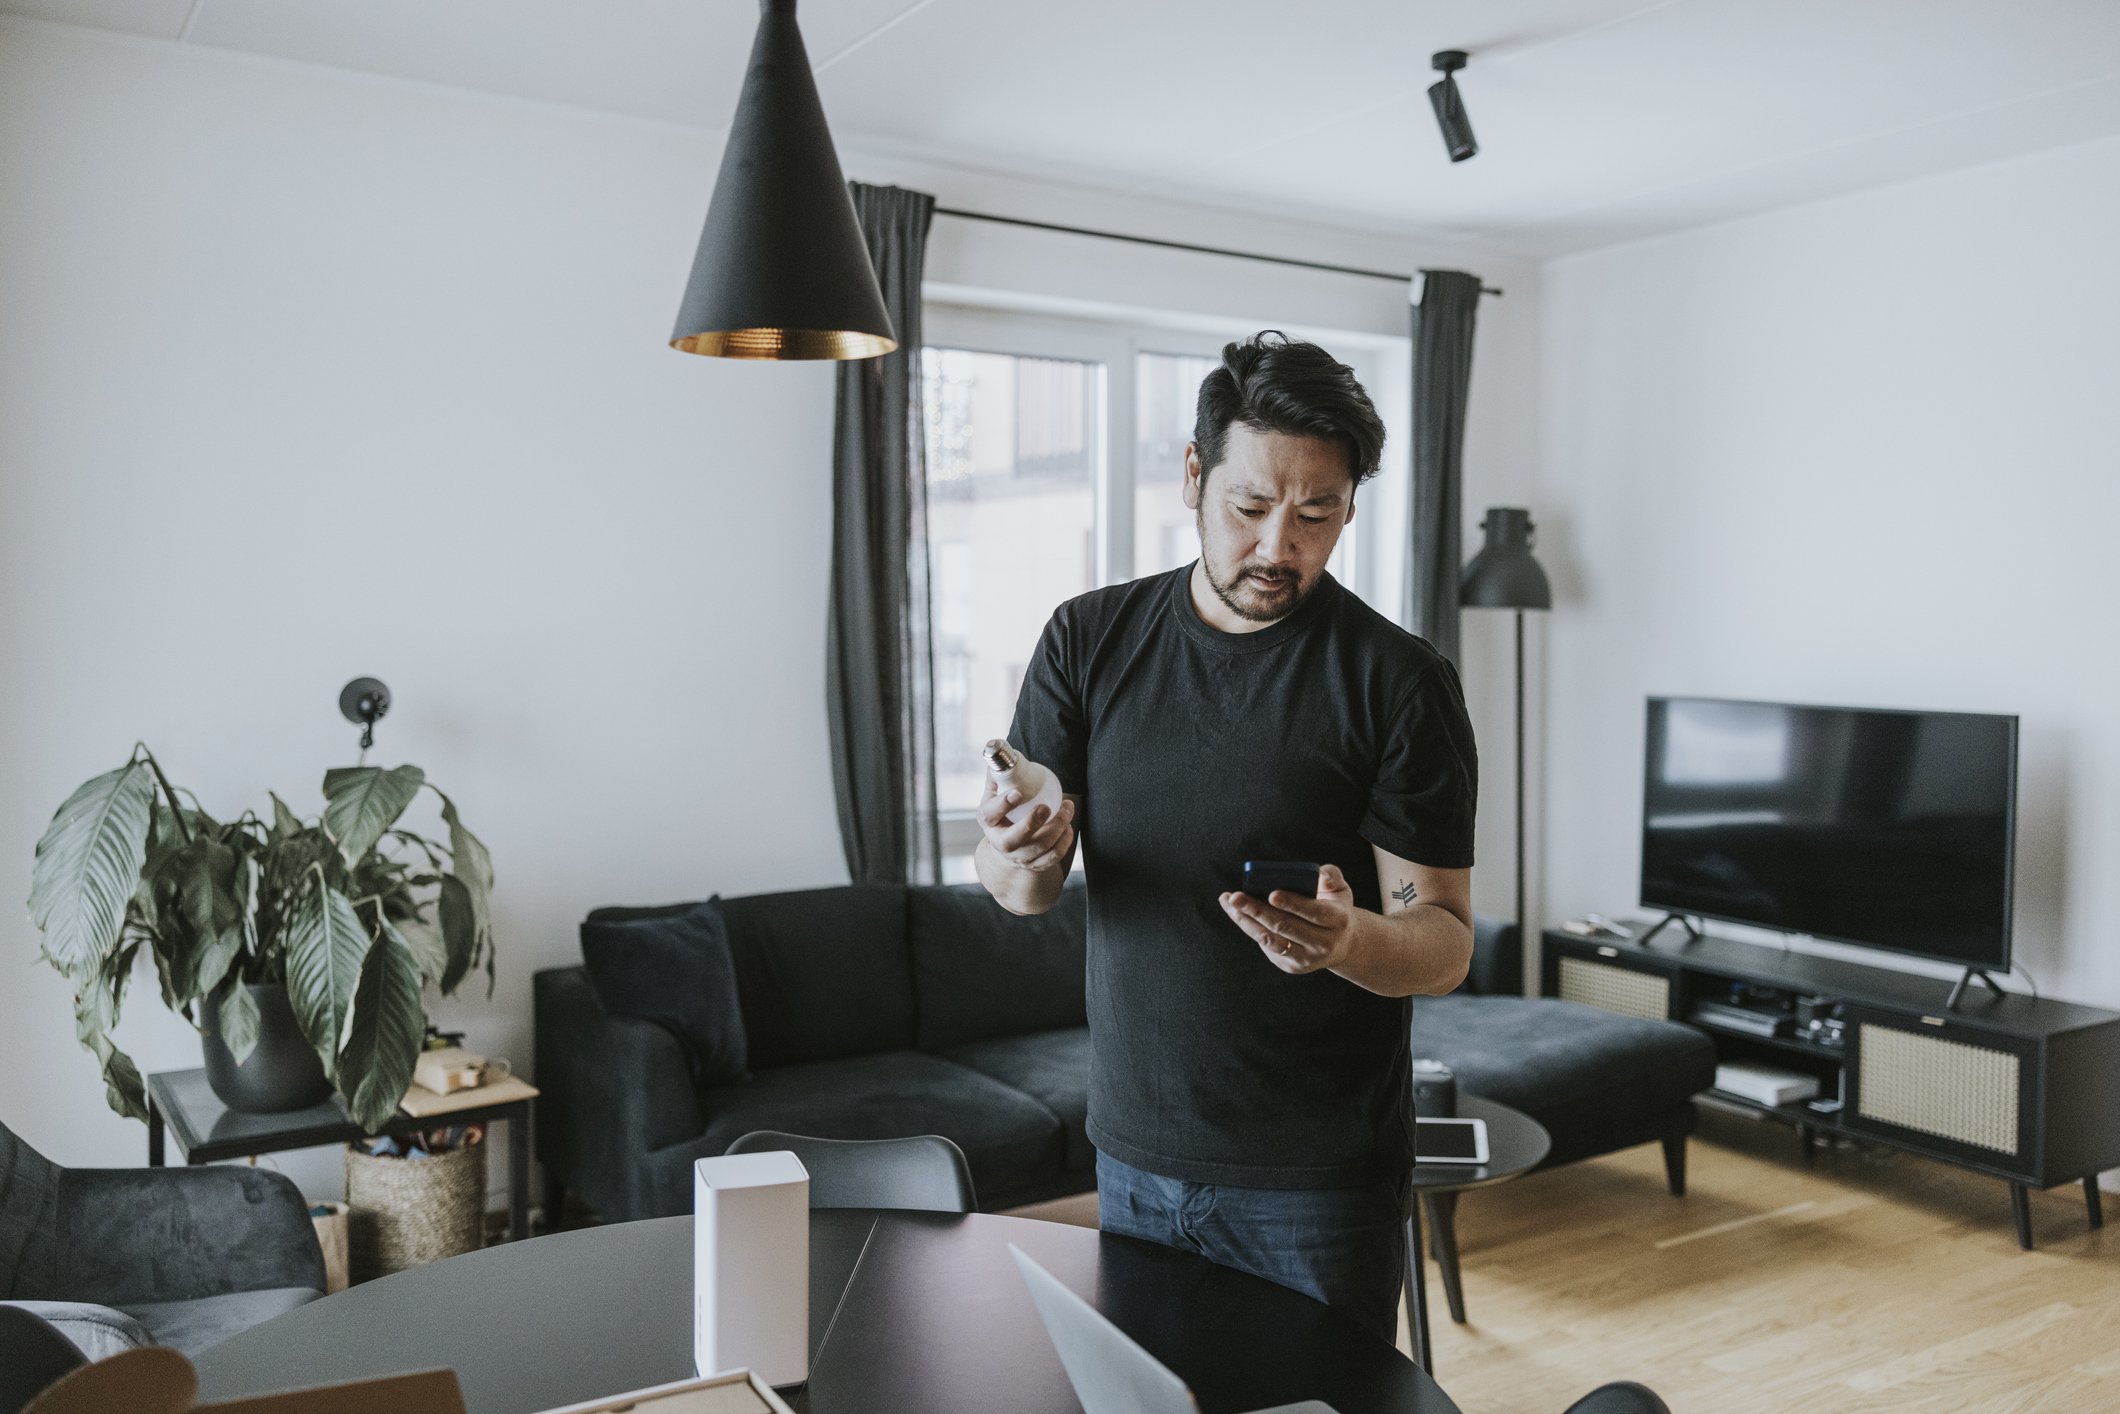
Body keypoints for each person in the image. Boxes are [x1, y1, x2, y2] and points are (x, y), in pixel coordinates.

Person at [975, 330, 1478, 1347]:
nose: (1278, 547)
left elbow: (1445, 941)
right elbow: (1020, 888)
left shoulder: (1396, 681)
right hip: (1133, 1153)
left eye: (1317, 513)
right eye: (1250, 507)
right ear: (1194, 478)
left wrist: (1348, 942)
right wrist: (1020, 854)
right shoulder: (1088, 638)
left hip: (1316, 1184)